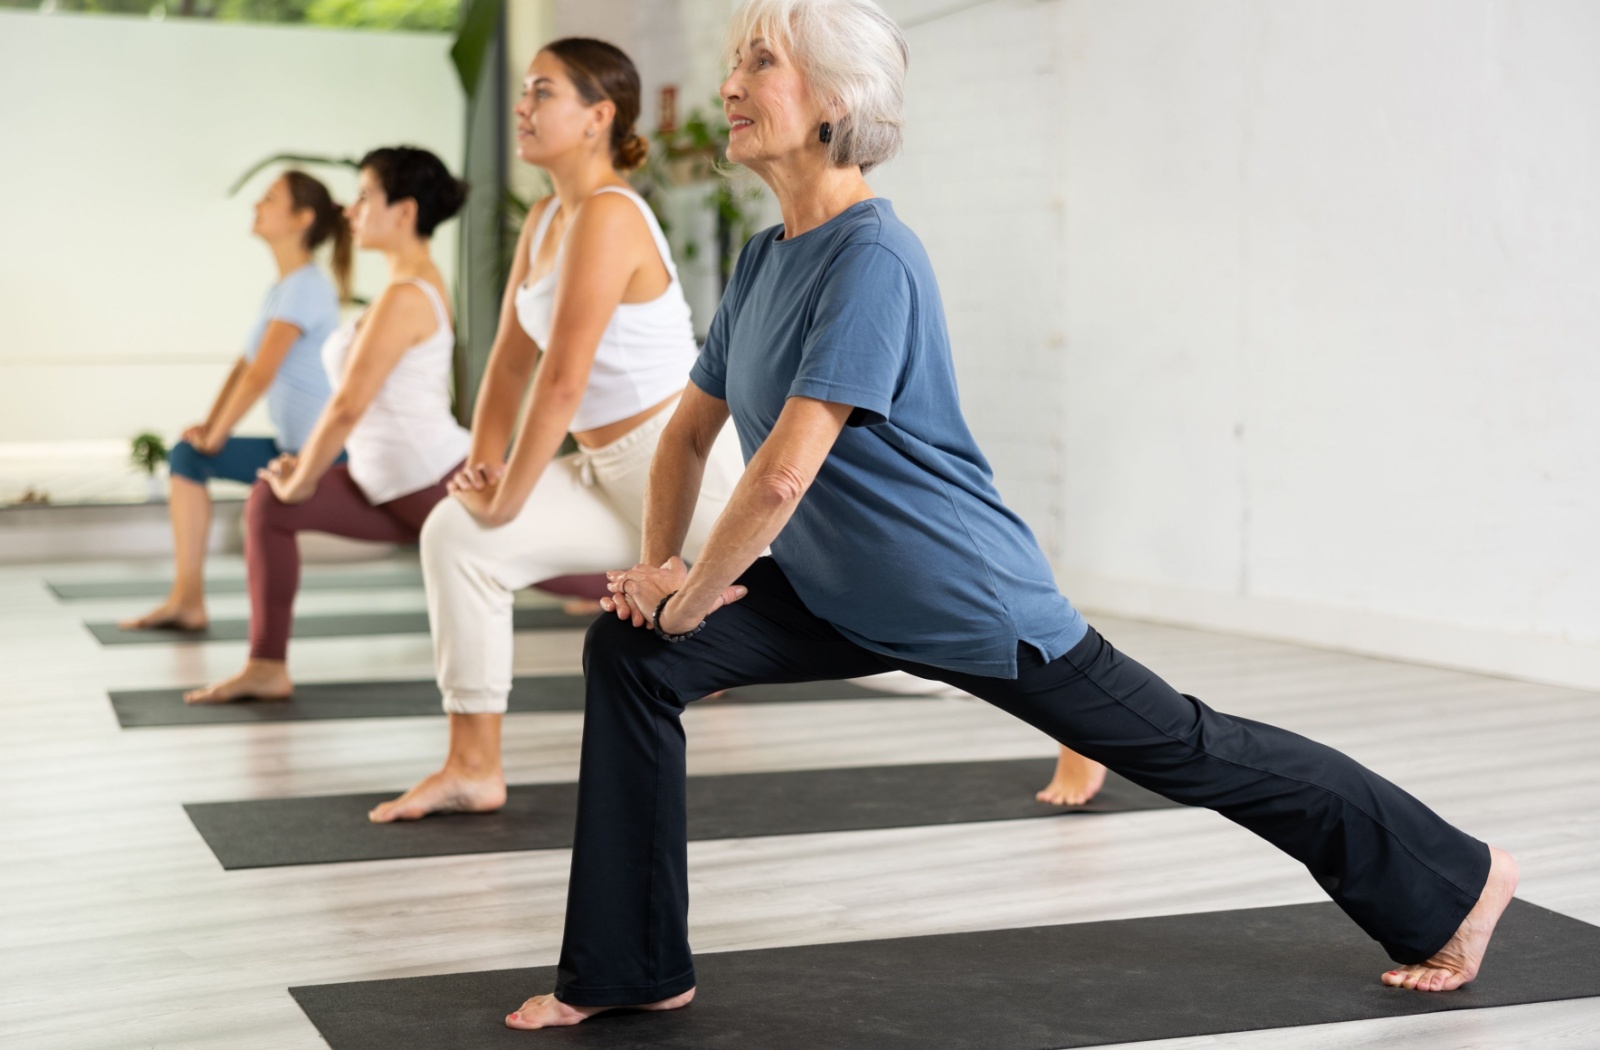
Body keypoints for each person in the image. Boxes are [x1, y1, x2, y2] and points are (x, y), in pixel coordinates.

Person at [502, 0, 1519, 1029]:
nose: (728, 85)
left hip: (962, 597)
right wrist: (660, 570)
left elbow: (776, 477)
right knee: (633, 660)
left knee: (1191, 752)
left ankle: (1459, 879)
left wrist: (687, 601)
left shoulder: (871, 257)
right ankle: (629, 969)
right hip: (833, 589)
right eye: (733, 61)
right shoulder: (767, 260)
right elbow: (684, 438)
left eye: (758, 63)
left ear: (833, 102)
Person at [368, 39, 743, 822]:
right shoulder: (546, 218)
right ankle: (472, 766)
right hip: (607, 470)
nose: (522, 108)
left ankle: (1061, 703)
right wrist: (483, 467)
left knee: (844, 617)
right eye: (524, 92)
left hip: (686, 464)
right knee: (458, 535)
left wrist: (512, 493)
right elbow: (509, 364)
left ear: (597, 117)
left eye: (542, 92)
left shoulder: (609, 214)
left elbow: (565, 376)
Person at [184, 146, 471, 704]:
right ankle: (267, 666)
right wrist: (298, 475)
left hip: (429, 479)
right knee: (269, 505)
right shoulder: (401, 286)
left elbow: (347, 405)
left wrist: (303, 475)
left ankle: (688, 644)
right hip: (382, 480)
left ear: (404, 212)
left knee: (563, 572)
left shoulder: (408, 295)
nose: (351, 208)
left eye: (365, 196)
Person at [120, 172, 347, 632]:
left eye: (269, 199)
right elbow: (243, 367)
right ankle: (187, 598)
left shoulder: (306, 285)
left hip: (326, 458)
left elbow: (262, 374)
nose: (256, 206)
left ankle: (194, 600)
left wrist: (219, 434)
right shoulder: (281, 289)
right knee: (187, 455)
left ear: (302, 219)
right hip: (290, 450)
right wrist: (208, 427)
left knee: (198, 458)